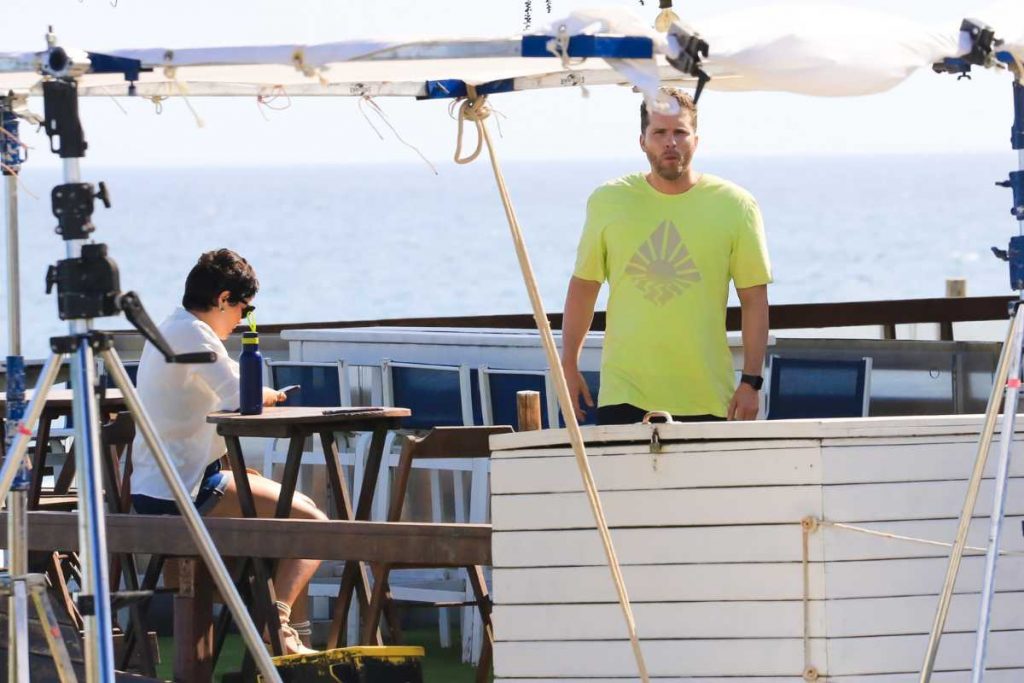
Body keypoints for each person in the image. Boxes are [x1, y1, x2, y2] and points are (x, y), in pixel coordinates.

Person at [129, 248, 325, 655]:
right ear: (223, 299)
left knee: (295, 505)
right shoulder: (193, 335)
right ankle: (281, 629)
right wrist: (270, 395)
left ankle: (293, 637)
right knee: (315, 525)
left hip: (161, 486)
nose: (242, 321)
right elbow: (243, 396)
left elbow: (221, 397)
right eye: (244, 309)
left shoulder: (172, 328)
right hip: (184, 491)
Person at [560, 88, 771, 425]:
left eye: (680, 132)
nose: (670, 142)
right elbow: (585, 286)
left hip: (707, 397)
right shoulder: (608, 201)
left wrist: (750, 382)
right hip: (624, 394)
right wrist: (567, 366)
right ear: (642, 141)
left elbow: (754, 299)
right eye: (659, 132)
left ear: (696, 141)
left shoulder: (736, 205)